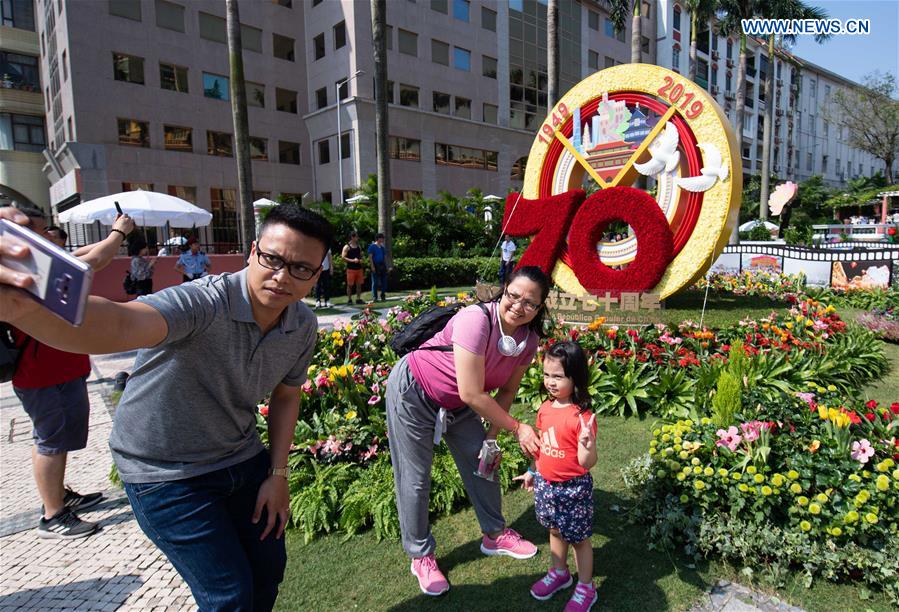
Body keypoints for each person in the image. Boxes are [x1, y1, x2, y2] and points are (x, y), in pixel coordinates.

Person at [0, 203, 333, 610]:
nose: (282, 276)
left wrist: (278, 474)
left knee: (267, 573)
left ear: (316, 276)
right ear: (252, 252)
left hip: (240, 457)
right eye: (272, 259)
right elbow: (120, 322)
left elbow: (286, 394)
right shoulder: (204, 303)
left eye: (300, 268)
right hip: (165, 472)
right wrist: (22, 308)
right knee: (229, 595)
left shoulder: (301, 324)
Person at [385, 266, 550, 597]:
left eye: (530, 303)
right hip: (414, 391)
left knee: (483, 462)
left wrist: (491, 437)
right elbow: (472, 392)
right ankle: (420, 555)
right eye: (513, 295)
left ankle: (495, 534)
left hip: (459, 405)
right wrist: (517, 428)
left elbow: (506, 391)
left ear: (539, 307)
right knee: (416, 478)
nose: (519, 306)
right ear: (503, 290)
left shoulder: (528, 340)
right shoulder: (477, 319)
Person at [5, 206, 135, 540]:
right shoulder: (24, 270)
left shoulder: (42, 262)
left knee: (59, 439)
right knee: (50, 441)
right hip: (40, 374)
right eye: (40, 230)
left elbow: (82, 254)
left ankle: (59, 495)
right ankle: (53, 515)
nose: (48, 235)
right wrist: (119, 233)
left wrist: (111, 237)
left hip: (61, 369)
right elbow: (94, 260)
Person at [515, 341, 598, 611]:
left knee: (578, 539)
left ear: (576, 378)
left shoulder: (582, 418)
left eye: (558, 376)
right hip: (546, 485)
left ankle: (586, 587)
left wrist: (587, 445)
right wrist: (532, 471)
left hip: (574, 488)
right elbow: (541, 447)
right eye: (546, 374)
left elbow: (587, 463)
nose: (550, 382)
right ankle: (560, 573)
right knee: (554, 530)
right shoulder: (545, 409)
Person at [341, 230, 365, 305]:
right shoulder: (347, 247)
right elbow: (343, 257)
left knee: (359, 284)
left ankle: (358, 299)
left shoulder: (358, 246)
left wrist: (361, 260)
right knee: (350, 285)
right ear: (352, 237)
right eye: (356, 236)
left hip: (359, 268)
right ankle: (349, 299)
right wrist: (353, 260)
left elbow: (361, 255)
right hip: (351, 269)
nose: (357, 238)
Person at [368, 233, 388, 302]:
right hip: (375, 265)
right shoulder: (372, 246)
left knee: (384, 282)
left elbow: (384, 257)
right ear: (378, 238)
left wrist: (386, 266)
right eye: (382, 238)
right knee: (375, 282)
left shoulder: (382, 247)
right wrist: (372, 266)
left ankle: (383, 296)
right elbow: (370, 257)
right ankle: (375, 297)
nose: (383, 239)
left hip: (382, 265)